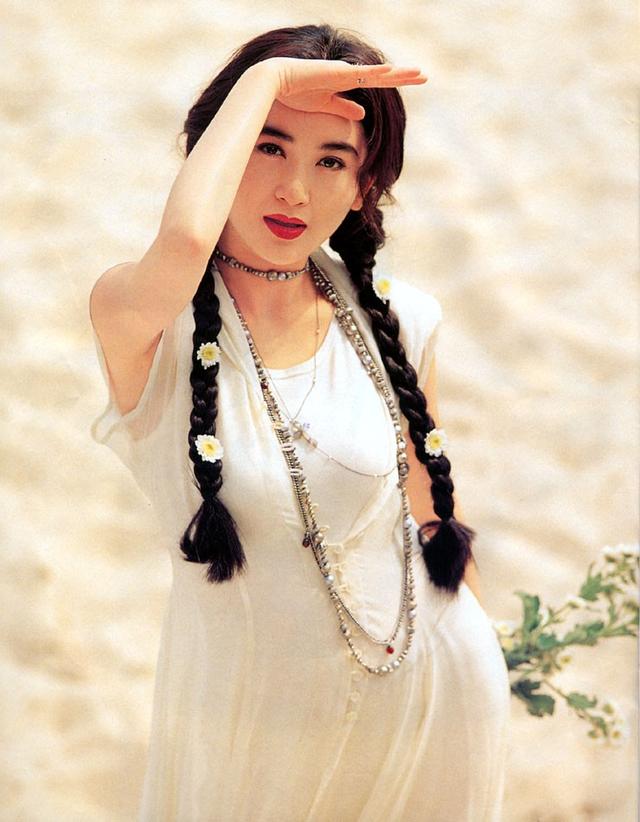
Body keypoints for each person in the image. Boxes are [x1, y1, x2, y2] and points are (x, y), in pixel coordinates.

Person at [89, 23, 510, 822]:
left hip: (430, 706)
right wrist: (265, 82)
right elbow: (186, 237)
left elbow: (431, 512)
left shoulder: (402, 320)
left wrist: (492, 652)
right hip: (250, 738)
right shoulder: (143, 316)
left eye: (331, 161)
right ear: (216, 149)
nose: (294, 191)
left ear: (364, 185)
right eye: (268, 146)